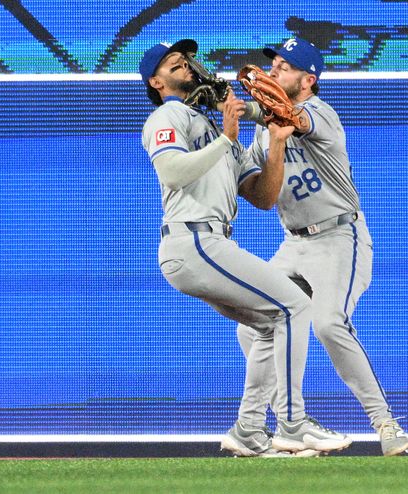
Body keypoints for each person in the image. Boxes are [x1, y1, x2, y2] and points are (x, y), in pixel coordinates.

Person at [139, 39, 352, 457]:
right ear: (155, 80)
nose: (184, 64)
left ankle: (249, 430)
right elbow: (172, 170)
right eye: (172, 63)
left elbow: (262, 196)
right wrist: (227, 139)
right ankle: (292, 423)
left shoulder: (213, 125)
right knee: (295, 307)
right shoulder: (167, 114)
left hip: (210, 240)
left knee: (272, 323)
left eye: (185, 60)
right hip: (192, 239)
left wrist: (274, 142)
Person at [234, 38, 408, 456]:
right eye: (273, 64)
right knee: (253, 325)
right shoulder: (265, 133)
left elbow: (291, 117)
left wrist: (251, 107)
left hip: (339, 236)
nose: (273, 71)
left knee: (329, 323)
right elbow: (261, 193)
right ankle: (291, 424)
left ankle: (384, 422)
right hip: (294, 242)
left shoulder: (320, 113)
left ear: (308, 79)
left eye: (285, 66)